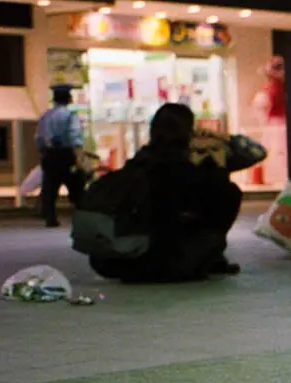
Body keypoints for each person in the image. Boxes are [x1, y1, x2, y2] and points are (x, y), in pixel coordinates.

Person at [88, 103, 243, 283]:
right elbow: (222, 195)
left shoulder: (137, 163)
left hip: (114, 263)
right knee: (230, 195)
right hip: (163, 264)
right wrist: (219, 163)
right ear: (187, 132)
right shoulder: (185, 170)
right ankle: (210, 260)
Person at [34, 86, 87, 228]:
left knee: (50, 188)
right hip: (66, 155)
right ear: (68, 98)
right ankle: (82, 217)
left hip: (50, 155)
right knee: (76, 187)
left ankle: (50, 217)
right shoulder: (70, 115)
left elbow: (39, 139)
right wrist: (79, 158)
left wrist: (44, 152)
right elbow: (75, 137)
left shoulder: (45, 116)